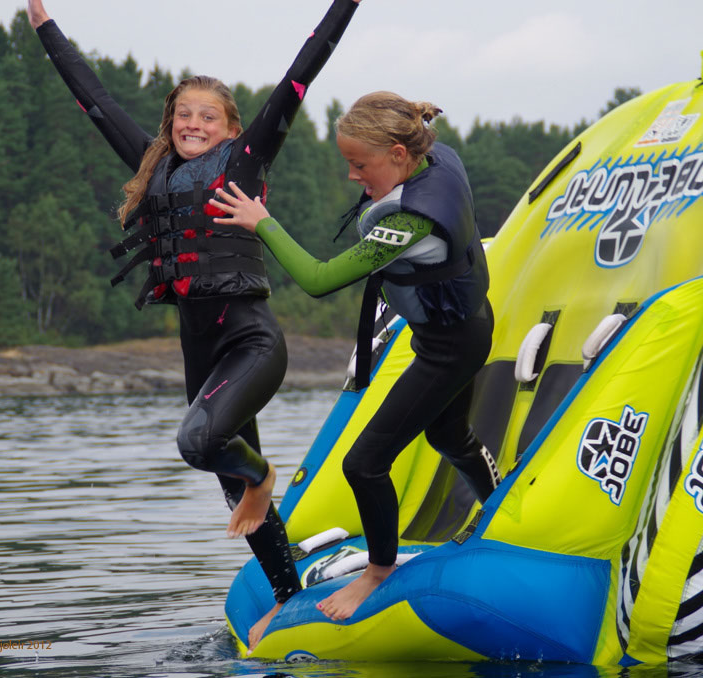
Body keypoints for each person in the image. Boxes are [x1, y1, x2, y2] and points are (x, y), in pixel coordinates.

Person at [26, 0, 362, 649]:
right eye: (183, 114)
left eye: (208, 116)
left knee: (200, 442)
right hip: (200, 348)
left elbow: (303, 70)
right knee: (227, 483)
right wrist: (46, 29)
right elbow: (94, 99)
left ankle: (264, 478)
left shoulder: (245, 158)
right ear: (169, 123)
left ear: (232, 127)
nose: (193, 124)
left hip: (250, 339)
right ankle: (287, 599)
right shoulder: (152, 166)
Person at [211, 91, 503, 622]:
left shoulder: (410, 221)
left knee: (364, 464)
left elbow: (319, 279)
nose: (352, 176)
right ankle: (499, 507)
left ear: (398, 153)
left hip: (450, 348)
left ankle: (378, 571)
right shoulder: (436, 157)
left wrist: (262, 222)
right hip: (461, 328)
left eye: (359, 164)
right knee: (447, 435)